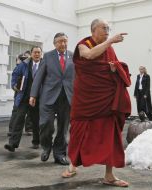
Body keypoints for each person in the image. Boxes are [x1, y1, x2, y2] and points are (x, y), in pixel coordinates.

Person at [61, 19, 131, 188]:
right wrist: (110, 41)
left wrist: (115, 68)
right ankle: (72, 166)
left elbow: (115, 67)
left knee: (110, 136)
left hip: (105, 100)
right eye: (104, 28)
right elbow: (89, 55)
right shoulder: (83, 44)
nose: (107, 31)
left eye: (108, 28)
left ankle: (109, 175)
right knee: (79, 133)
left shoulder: (109, 48)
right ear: (93, 30)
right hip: (85, 99)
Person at [29, 33, 75, 165]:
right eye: (60, 41)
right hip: (48, 96)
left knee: (63, 127)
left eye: (65, 41)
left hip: (66, 97)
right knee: (46, 124)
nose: (63, 44)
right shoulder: (48, 56)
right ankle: (46, 147)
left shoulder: (73, 56)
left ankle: (59, 153)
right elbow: (39, 76)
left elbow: (77, 77)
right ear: (55, 43)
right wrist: (33, 95)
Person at [4, 46, 42, 152]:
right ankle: (12, 144)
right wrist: (15, 85)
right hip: (24, 97)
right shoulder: (23, 64)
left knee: (36, 121)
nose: (37, 54)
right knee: (19, 119)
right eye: (35, 52)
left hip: (38, 99)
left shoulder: (44, 65)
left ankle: (36, 141)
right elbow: (15, 74)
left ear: (41, 54)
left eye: (39, 52)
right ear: (31, 53)